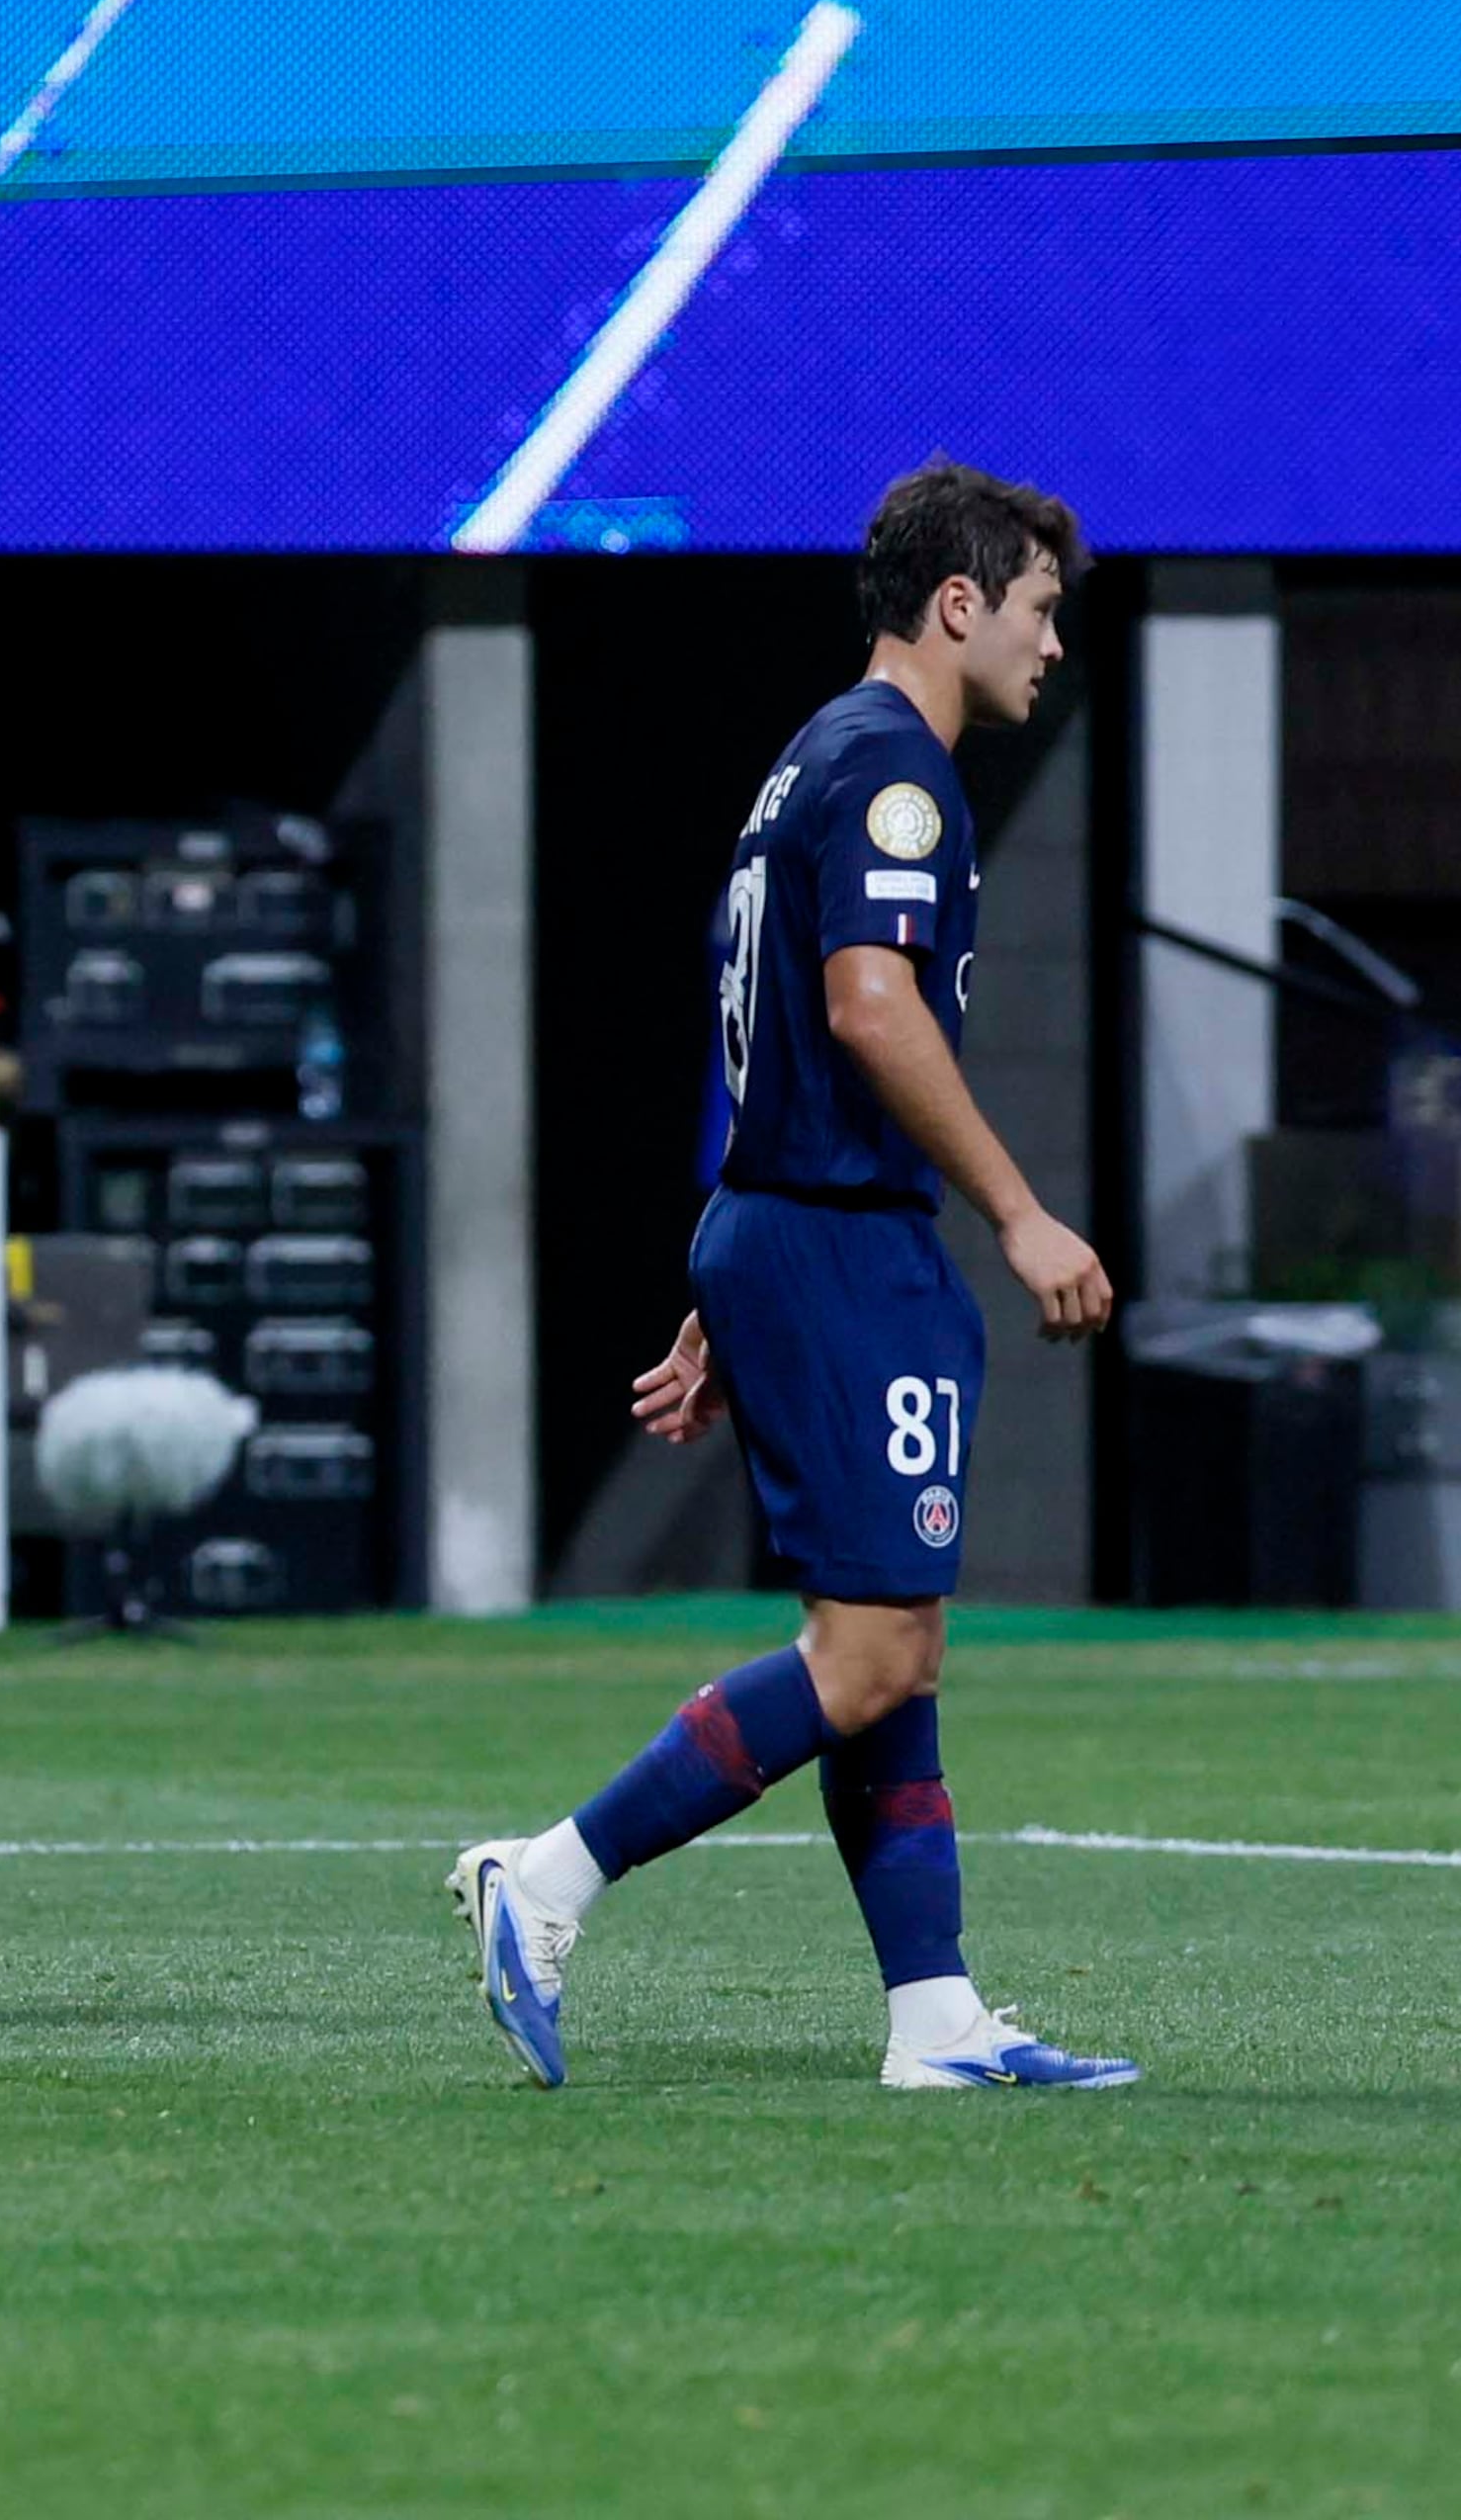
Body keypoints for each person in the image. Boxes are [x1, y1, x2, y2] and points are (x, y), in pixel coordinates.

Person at [452, 459, 1133, 2095]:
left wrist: (729, 1282)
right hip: (840, 1241)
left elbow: (769, 1047)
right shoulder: (898, 775)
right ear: (958, 603)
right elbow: (865, 1010)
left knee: (886, 1633)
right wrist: (1023, 1213)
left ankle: (935, 2019)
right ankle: (545, 1880)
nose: (1052, 646)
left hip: (797, 1229)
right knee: (879, 1651)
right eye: (1039, 611)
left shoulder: (806, 761)